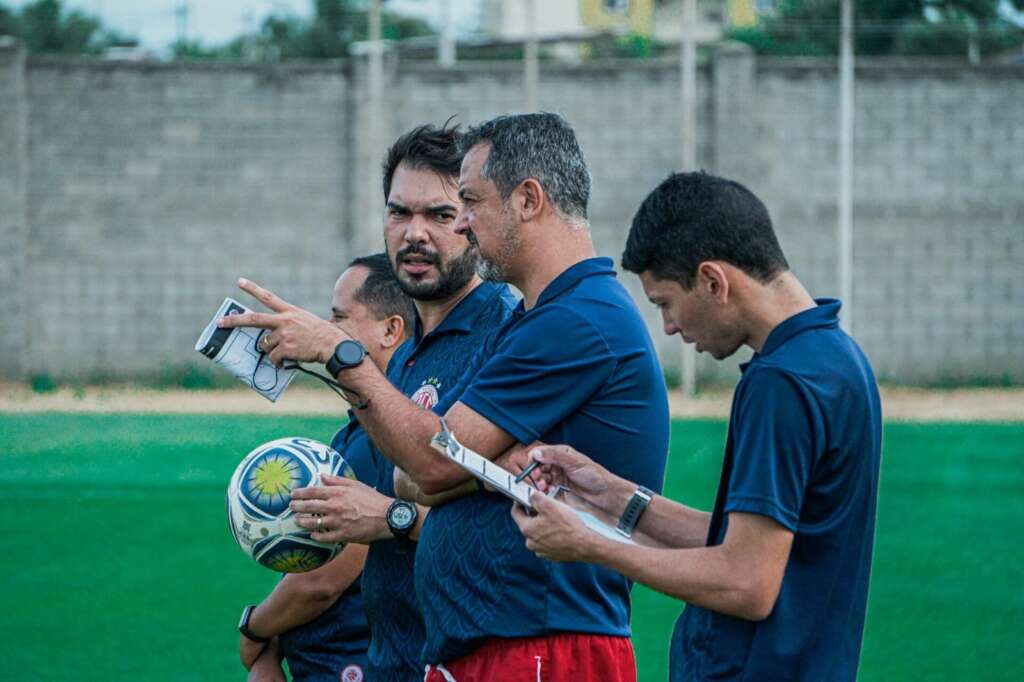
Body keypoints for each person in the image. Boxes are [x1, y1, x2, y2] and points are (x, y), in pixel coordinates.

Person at [219, 112, 670, 682]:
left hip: (539, 643)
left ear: (527, 200)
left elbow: (430, 465)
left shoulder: (570, 321)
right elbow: (426, 467)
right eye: (399, 212)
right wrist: (445, 465)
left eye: (464, 206)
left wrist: (343, 357)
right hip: (477, 646)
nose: (462, 227)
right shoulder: (531, 320)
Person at [512, 171, 883, 681]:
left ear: (713, 280)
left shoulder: (782, 382)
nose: (668, 326)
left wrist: (588, 544)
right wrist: (613, 497)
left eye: (665, 302)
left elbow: (747, 581)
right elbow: (747, 542)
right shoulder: (835, 356)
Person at [289, 122, 518, 681]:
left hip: (470, 664)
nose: (414, 234)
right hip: (392, 662)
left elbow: (513, 527)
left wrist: (388, 517)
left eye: (439, 216)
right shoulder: (407, 347)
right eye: (399, 213)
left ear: (470, 218)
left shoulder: (508, 335)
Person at [240, 252, 415, 682]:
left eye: (338, 317)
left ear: (391, 330)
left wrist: (255, 627)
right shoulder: (367, 425)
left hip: (350, 665)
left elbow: (322, 582)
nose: (322, 329)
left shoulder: (384, 439)